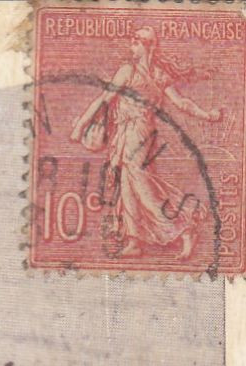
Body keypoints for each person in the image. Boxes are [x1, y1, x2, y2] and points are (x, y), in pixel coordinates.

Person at [70, 25, 223, 261]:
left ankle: (183, 228)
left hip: (138, 132)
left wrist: (208, 115)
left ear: (149, 46)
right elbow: (105, 99)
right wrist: (82, 123)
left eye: (137, 39)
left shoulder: (150, 74)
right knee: (128, 184)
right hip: (127, 131)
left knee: (139, 183)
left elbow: (182, 103)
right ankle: (134, 241)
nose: (132, 41)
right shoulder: (130, 71)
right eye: (133, 38)